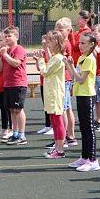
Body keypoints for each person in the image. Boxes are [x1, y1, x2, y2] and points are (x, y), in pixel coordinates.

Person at [65, 34, 100, 172]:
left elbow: (80, 79)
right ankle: (84, 157)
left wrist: (72, 66)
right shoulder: (81, 58)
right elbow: (73, 76)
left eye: (84, 43)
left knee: (89, 128)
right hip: (80, 94)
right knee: (83, 128)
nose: (80, 45)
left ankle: (93, 160)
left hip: (87, 95)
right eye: (80, 43)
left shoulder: (90, 59)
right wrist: (68, 65)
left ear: (91, 45)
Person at [33, 30, 67, 159]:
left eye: (50, 40)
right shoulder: (55, 56)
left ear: (57, 42)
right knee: (54, 121)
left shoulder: (58, 58)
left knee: (57, 121)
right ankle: (58, 147)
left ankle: (60, 149)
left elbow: (45, 72)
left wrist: (41, 60)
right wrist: (41, 59)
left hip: (55, 93)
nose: (47, 42)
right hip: (51, 92)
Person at [0, 27, 28, 145]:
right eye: (6, 37)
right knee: (12, 110)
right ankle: (15, 133)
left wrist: (5, 55)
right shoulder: (6, 51)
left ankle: (22, 135)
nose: (7, 38)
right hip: (7, 84)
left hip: (18, 82)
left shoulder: (19, 49)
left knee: (18, 109)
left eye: (10, 36)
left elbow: (16, 63)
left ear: (16, 37)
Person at [55, 18, 78, 147]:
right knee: (67, 108)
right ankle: (70, 136)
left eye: (60, 30)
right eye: (56, 29)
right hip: (65, 77)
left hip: (64, 78)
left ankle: (64, 136)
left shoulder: (64, 43)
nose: (58, 31)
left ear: (68, 30)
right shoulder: (63, 42)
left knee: (63, 109)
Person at [36, 35, 53, 136]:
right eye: (42, 44)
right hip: (43, 81)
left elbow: (50, 64)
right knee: (45, 105)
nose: (43, 45)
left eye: (45, 44)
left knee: (51, 105)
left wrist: (46, 51)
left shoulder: (53, 54)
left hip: (50, 82)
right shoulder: (42, 53)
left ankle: (52, 126)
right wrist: (38, 59)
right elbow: (39, 68)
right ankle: (47, 125)